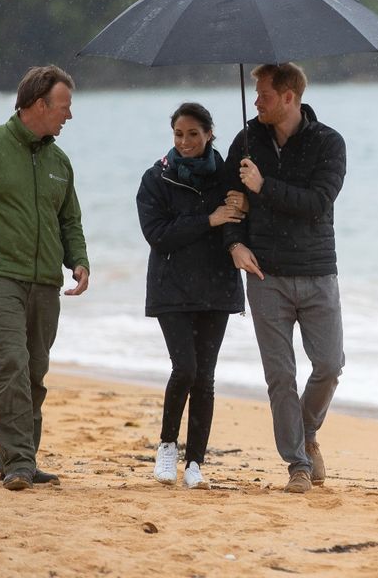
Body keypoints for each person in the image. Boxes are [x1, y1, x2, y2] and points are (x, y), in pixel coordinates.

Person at [0, 65, 90, 491]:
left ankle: (20, 457)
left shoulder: (59, 160)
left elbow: (70, 221)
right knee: (13, 363)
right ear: (39, 105)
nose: (69, 116)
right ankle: (19, 461)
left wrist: (78, 261)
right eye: (64, 107)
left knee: (35, 372)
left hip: (45, 281)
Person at [222, 62, 347, 494]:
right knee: (280, 377)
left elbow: (316, 202)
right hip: (265, 274)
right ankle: (296, 463)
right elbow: (229, 201)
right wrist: (235, 244)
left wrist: (263, 186)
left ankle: (307, 434)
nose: (256, 101)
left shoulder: (329, 143)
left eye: (265, 95)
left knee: (330, 366)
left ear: (289, 97)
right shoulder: (246, 140)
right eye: (255, 94)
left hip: (317, 272)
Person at [135, 102, 247, 490]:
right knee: (185, 368)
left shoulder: (228, 177)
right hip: (172, 288)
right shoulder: (157, 178)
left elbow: (243, 223)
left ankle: (196, 461)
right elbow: (158, 234)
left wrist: (245, 202)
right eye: (179, 134)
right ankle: (167, 445)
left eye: (193, 134)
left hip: (217, 286)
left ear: (210, 134)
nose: (185, 142)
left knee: (206, 378)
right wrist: (208, 219)